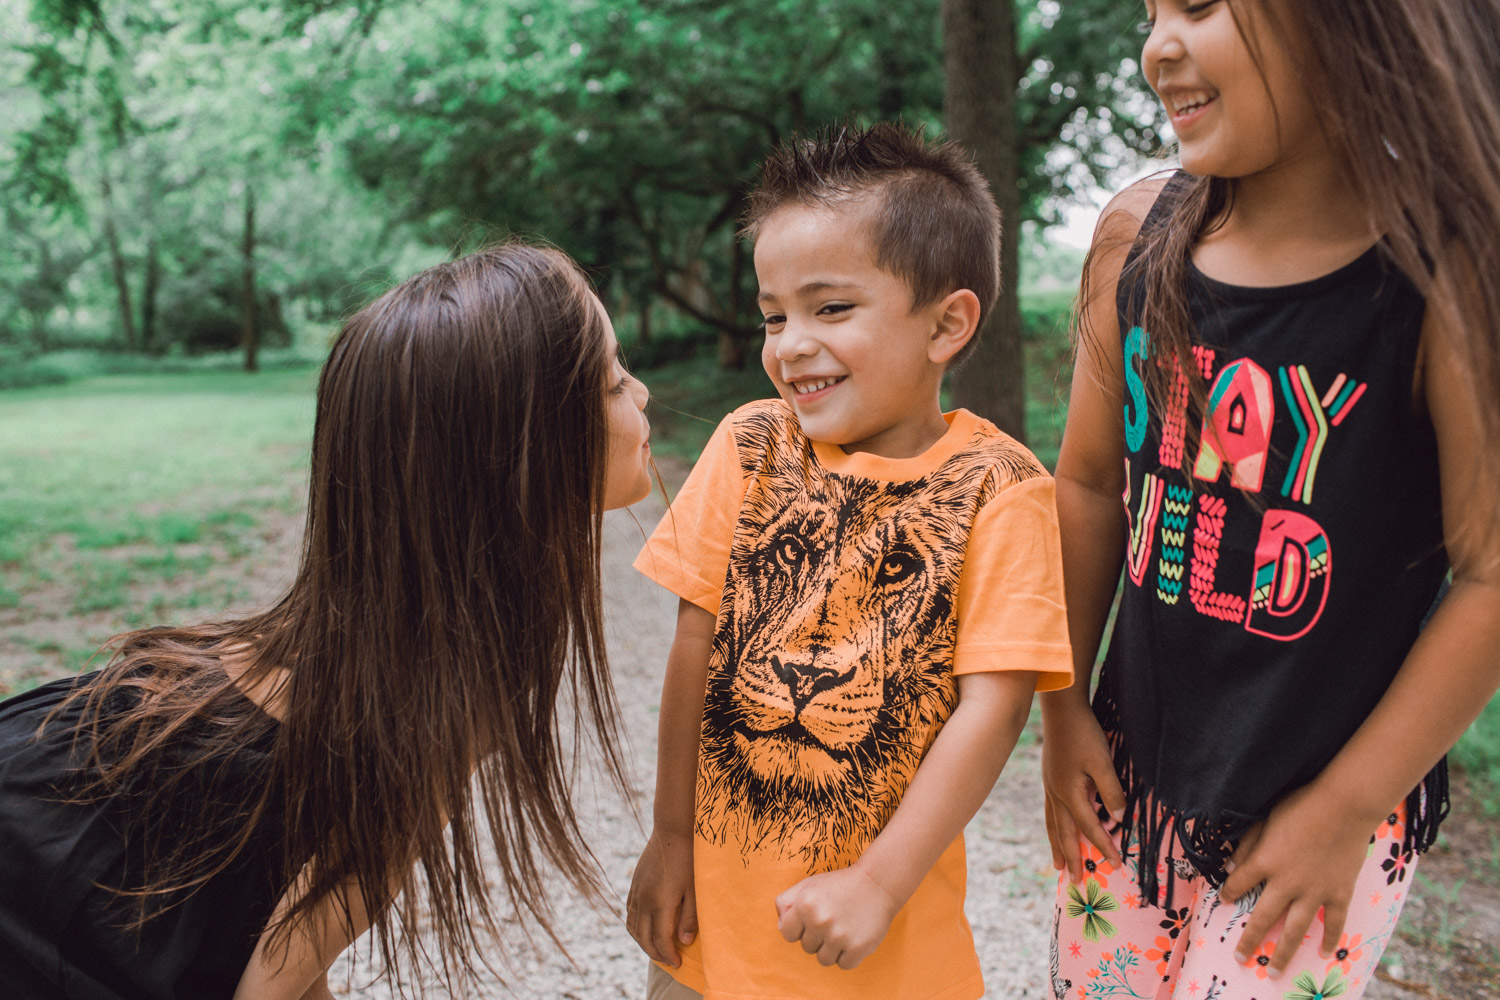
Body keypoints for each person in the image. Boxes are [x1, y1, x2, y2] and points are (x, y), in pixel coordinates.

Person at [0, 242, 655, 1000]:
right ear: (518, 449)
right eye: (611, 380)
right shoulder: (458, 683)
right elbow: (282, 973)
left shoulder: (432, 645)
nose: (640, 394)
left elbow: (289, 946)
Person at [1042, 1, 1500, 997]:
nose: (1158, 44)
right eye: (1149, 12)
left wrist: (1345, 803)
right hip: (1130, 775)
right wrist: (1063, 706)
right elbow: (1084, 488)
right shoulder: (1134, 237)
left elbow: (1492, 573)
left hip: (1325, 815)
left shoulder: (1441, 277)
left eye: (1199, 5)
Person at [626, 121, 1074, 1000]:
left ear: (948, 323)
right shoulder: (750, 445)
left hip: (881, 953)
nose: (791, 342)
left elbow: (994, 705)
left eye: (830, 309)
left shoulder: (1002, 488)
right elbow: (694, 645)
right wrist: (670, 835)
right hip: (712, 938)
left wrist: (879, 881)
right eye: (773, 314)